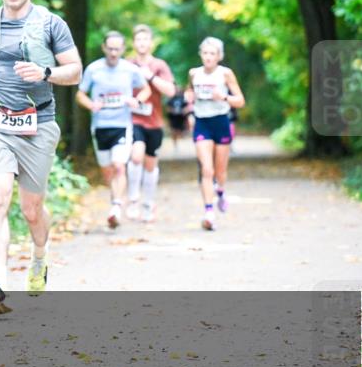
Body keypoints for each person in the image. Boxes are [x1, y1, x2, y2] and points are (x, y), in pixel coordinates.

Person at [0, 0, 82, 314]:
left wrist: (45, 72)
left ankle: (39, 255)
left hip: (38, 123)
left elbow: (75, 71)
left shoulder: (51, 23)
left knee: (31, 210)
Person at [76, 31, 151, 230]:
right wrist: (91, 104)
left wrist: (137, 100)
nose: (114, 53)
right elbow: (80, 94)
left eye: (117, 49)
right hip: (100, 126)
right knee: (107, 171)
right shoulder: (94, 69)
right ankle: (115, 199)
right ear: (104, 48)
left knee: (119, 166)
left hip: (122, 125)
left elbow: (146, 89)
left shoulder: (130, 69)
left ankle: (116, 207)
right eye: (110, 49)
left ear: (123, 49)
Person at [184, 37, 245, 231]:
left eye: (212, 54)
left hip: (221, 122)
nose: (208, 57)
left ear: (219, 56)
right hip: (202, 123)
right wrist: (189, 100)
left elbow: (240, 101)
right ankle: (209, 212)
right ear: (200, 55)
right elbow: (189, 93)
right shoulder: (194, 74)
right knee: (206, 170)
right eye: (205, 53)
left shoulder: (225, 74)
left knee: (220, 171)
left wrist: (224, 97)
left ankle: (221, 191)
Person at [126, 25, 176, 223]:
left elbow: (170, 91)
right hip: (133, 119)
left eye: (145, 40)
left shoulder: (159, 65)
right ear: (133, 43)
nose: (142, 43)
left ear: (151, 43)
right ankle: (132, 199)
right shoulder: (128, 64)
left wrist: (151, 77)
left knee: (150, 164)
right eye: (138, 40)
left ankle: (148, 205)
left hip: (154, 121)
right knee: (136, 156)